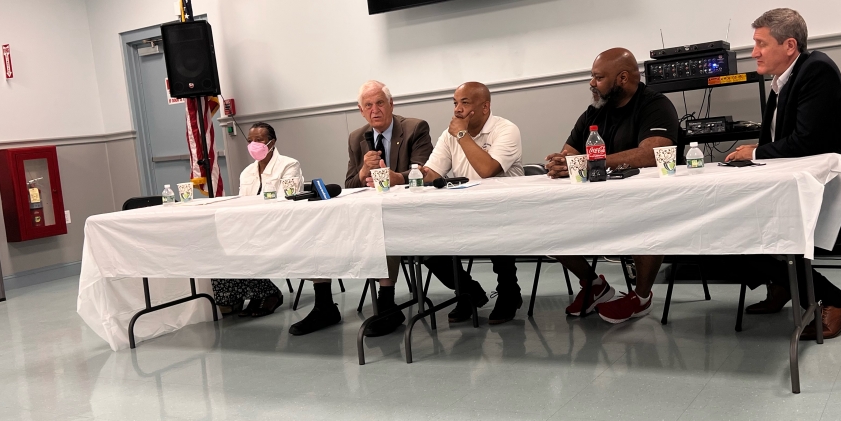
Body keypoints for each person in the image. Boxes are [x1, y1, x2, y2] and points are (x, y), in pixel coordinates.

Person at [724, 8, 841, 339]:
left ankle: (837, 302)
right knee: (728, 225)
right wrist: (754, 152)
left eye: (761, 44)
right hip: (797, 185)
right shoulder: (782, 81)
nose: (753, 53)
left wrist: (757, 152)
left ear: (789, 45)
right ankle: (785, 284)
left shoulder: (817, 70)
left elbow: (808, 142)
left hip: (837, 188)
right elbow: (779, 142)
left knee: (742, 231)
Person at [544, 48, 685, 324]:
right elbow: (569, 153)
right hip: (595, 202)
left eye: (597, 77)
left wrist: (589, 163)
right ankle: (594, 285)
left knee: (645, 219)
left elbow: (651, 155)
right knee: (545, 222)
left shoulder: (655, 105)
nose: (591, 83)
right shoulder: (594, 112)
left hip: (646, 202)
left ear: (621, 78)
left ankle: (641, 297)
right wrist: (561, 164)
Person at [289, 80, 434, 338]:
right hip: (364, 211)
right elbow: (349, 185)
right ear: (361, 110)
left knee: (381, 228)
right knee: (316, 227)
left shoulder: (414, 128)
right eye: (368, 105)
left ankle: (387, 304)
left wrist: (396, 178)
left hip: (406, 213)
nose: (374, 109)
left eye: (380, 103)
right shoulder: (357, 137)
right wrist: (364, 170)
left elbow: (423, 172)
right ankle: (324, 305)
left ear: (391, 104)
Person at [418, 81, 525, 325]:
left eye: (465, 103)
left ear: (485, 107)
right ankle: (468, 292)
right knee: (425, 244)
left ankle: (510, 293)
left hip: (506, 211)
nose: (457, 109)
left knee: (496, 230)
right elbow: (433, 173)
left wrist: (462, 135)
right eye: (455, 103)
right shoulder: (449, 135)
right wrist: (409, 176)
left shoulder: (506, 129)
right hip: (463, 210)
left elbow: (487, 169)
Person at [212, 122, 301, 317]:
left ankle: (268, 293)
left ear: (272, 142)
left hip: (280, 226)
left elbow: (285, 201)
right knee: (219, 244)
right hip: (250, 226)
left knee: (239, 244)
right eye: (250, 141)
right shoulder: (247, 172)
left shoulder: (289, 164)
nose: (254, 145)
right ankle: (238, 298)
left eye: (259, 140)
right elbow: (243, 203)